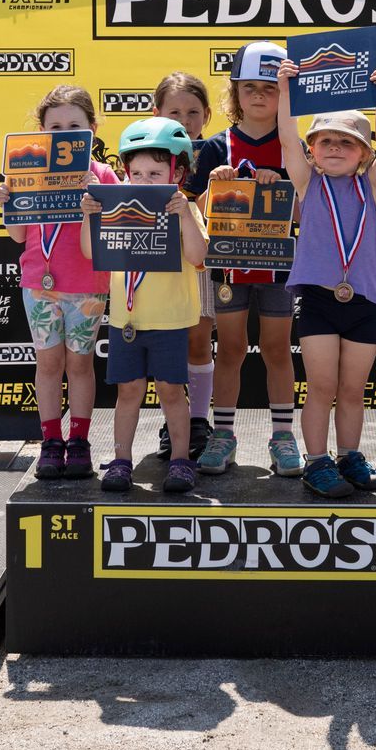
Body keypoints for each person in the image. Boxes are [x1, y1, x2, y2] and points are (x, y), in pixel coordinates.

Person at [275, 52, 376, 498]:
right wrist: (286, 90)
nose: (334, 147)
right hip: (318, 301)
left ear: (364, 153)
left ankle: (349, 456)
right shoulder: (308, 183)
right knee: (322, 387)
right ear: (312, 149)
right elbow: (286, 139)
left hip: (363, 302)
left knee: (352, 389)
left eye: (347, 142)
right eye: (325, 140)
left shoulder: (372, 186)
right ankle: (316, 462)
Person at [0, 85, 117, 481]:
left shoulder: (103, 175)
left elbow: (116, 232)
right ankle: (50, 441)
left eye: (75, 126)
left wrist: (95, 199)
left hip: (87, 285)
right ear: (42, 132)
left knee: (80, 364)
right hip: (39, 283)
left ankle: (78, 441)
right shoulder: (27, 171)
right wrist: (7, 203)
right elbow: (18, 236)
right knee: (48, 364)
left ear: (92, 129)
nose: (65, 135)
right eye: (56, 127)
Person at [80, 118, 207, 494]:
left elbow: (198, 255)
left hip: (169, 321)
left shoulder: (186, 209)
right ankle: (121, 460)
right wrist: (89, 216)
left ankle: (181, 460)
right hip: (126, 320)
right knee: (128, 392)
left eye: (155, 173)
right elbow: (89, 252)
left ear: (177, 173)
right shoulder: (115, 208)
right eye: (136, 173)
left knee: (171, 392)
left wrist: (184, 215)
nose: (144, 180)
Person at [188, 42, 295, 477]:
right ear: (235, 92)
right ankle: (224, 435)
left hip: (277, 267)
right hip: (229, 267)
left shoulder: (294, 145)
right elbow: (196, 208)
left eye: (270, 88)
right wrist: (215, 186)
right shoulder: (218, 146)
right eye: (249, 87)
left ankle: (283, 437)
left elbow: (304, 209)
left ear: (285, 94)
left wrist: (279, 184)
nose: (259, 95)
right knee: (230, 349)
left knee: (277, 349)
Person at [150, 71, 217, 462]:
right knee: (167, 344)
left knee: (197, 339)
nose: (184, 121)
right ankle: (171, 420)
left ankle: (198, 420)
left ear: (206, 115)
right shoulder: (143, 151)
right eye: (174, 112)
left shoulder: (215, 153)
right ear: (156, 112)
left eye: (193, 112)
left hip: (197, 260)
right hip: (154, 261)